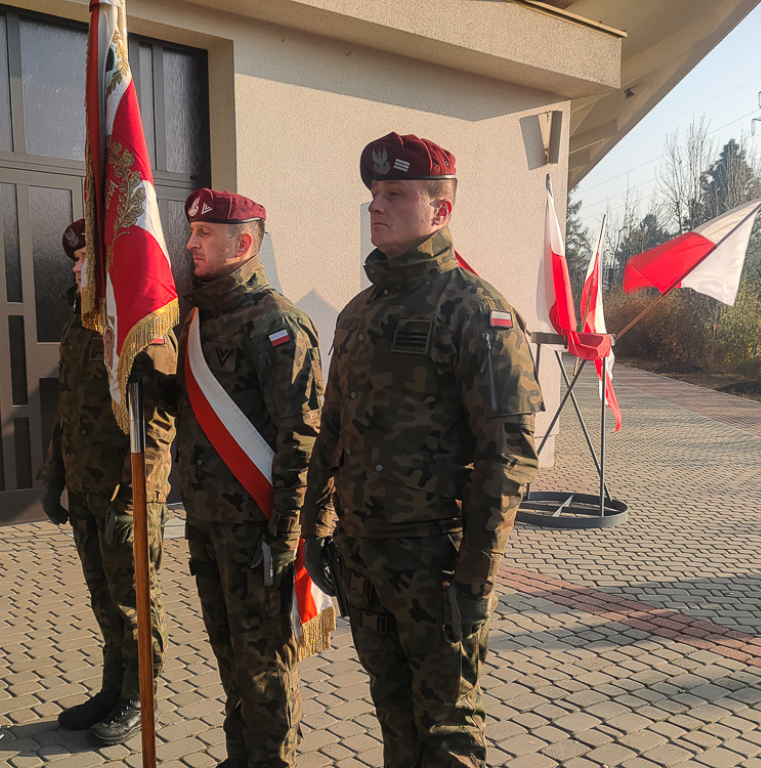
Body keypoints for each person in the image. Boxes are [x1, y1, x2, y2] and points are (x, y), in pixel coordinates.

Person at [300, 133, 542, 768]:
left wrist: (475, 578)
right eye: (374, 194)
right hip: (362, 555)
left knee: (447, 733)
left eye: (396, 194)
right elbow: (332, 431)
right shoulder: (357, 314)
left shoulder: (474, 311)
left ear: (441, 210)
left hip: (435, 565)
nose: (376, 206)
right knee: (393, 717)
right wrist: (315, 528)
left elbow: (507, 456)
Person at [175, 188, 326, 768]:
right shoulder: (197, 319)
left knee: (264, 668)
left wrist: (286, 539)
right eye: (192, 233)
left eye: (204, 235)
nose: (190, 243)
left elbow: (302, 441)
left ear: (243, 244)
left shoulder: (278, 323)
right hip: (208, 527)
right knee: (230, 659)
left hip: (260, 534)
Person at [39, 218, 177, 745]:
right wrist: (53, 478)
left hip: (126, 495)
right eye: (73, 262)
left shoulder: (138, 324)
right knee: (103, 597)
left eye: (84, 262)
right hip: (86, 489)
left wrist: (133, 498)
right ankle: (112, 688)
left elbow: (159, 421)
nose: (75, 269)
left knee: (135, 599)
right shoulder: (80, 323)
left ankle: (139, 699)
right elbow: (66, 409)